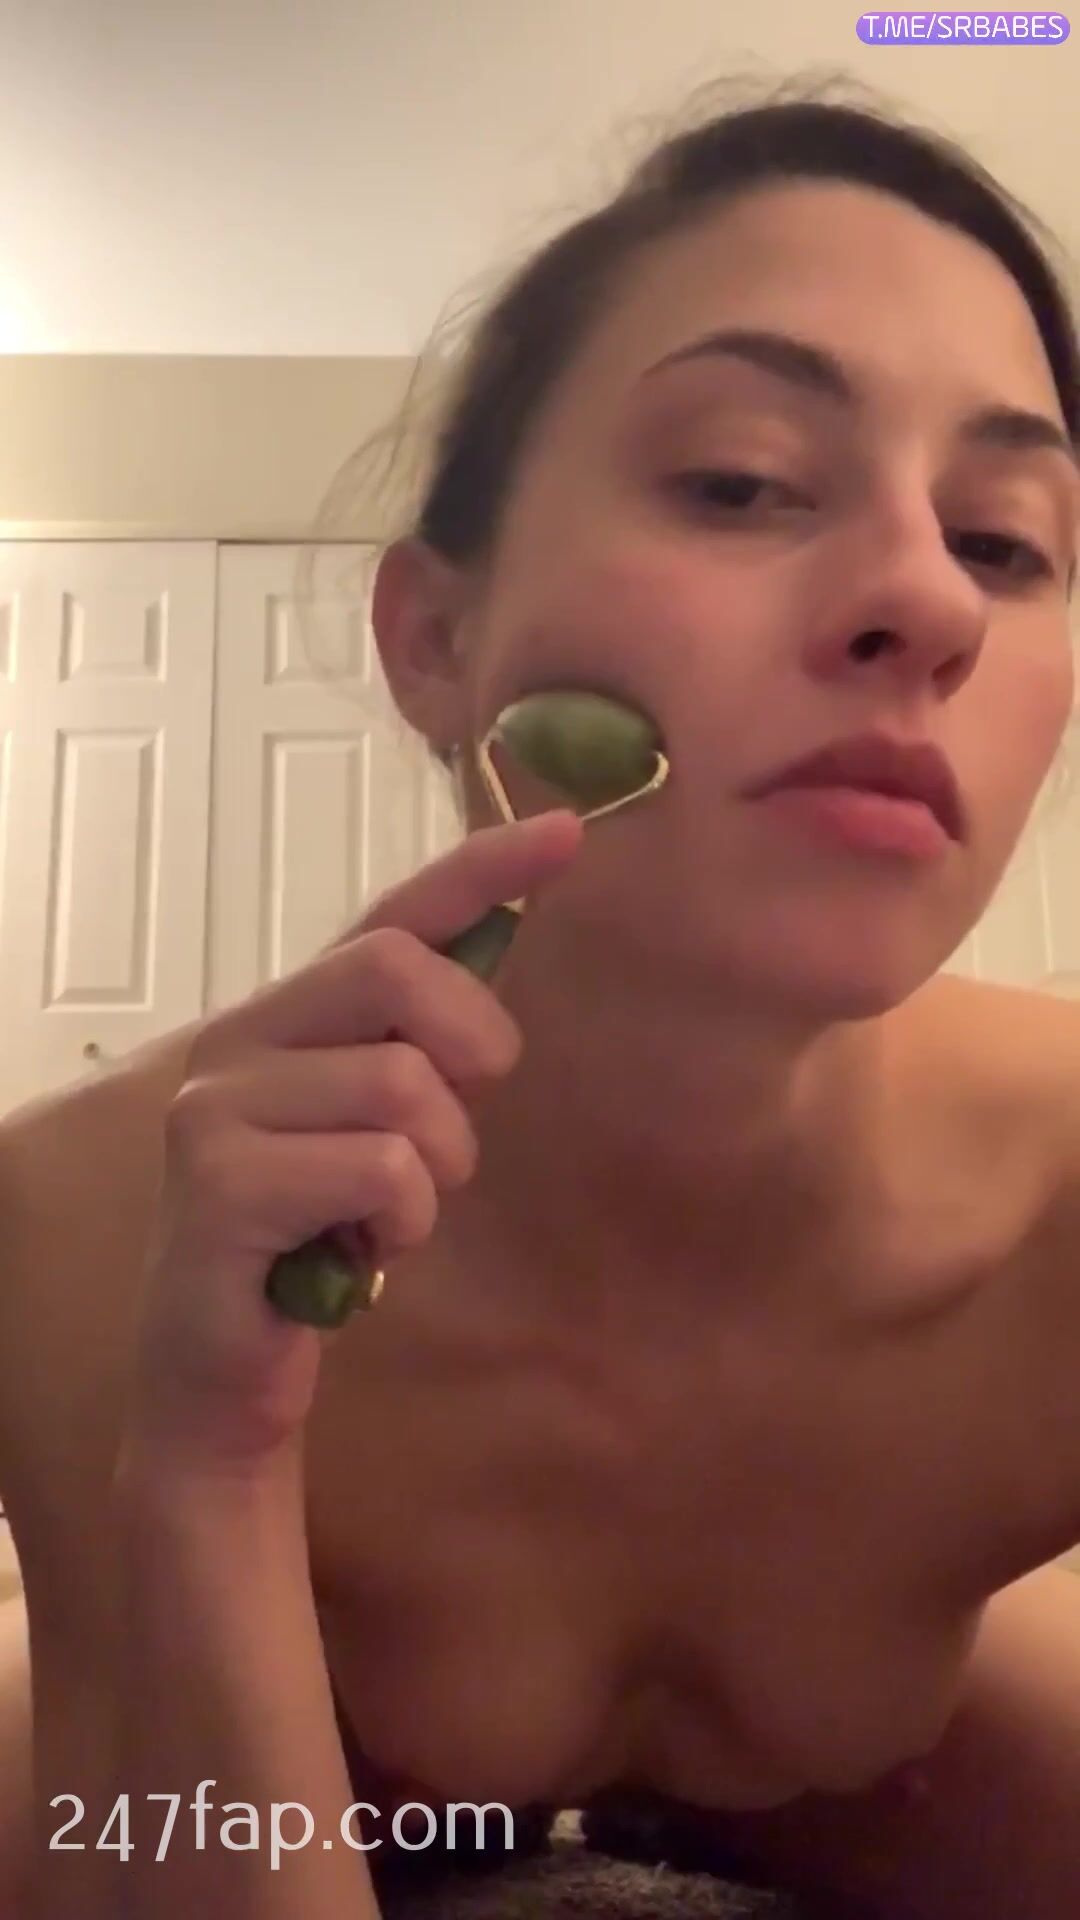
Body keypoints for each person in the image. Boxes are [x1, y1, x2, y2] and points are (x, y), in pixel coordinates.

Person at [2, 73, 1080, 1919]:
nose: (932, 599)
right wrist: (208, 1465)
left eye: (1005, 538)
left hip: (898, 1773)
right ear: (435, 640)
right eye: (740, 480)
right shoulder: (82, 1223)